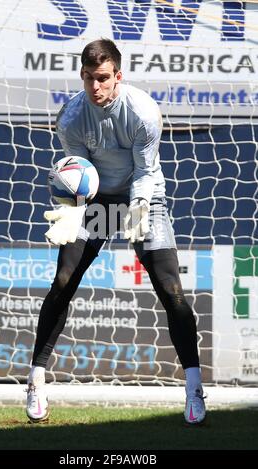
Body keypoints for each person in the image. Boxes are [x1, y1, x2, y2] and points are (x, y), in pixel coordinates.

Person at [26, 38, 206, 425]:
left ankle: (193, 387)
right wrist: (73, 212)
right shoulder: (71, 118)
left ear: (118, 76)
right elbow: (79, 174)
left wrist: (137, 211)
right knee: (63, 280)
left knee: (171, 288)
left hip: (144, 198)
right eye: (89, 78)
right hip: (97, 201)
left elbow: (144, 171)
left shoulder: (142, 112)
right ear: (82, 75)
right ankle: (36, 380)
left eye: (104, 78)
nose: (96, 87)